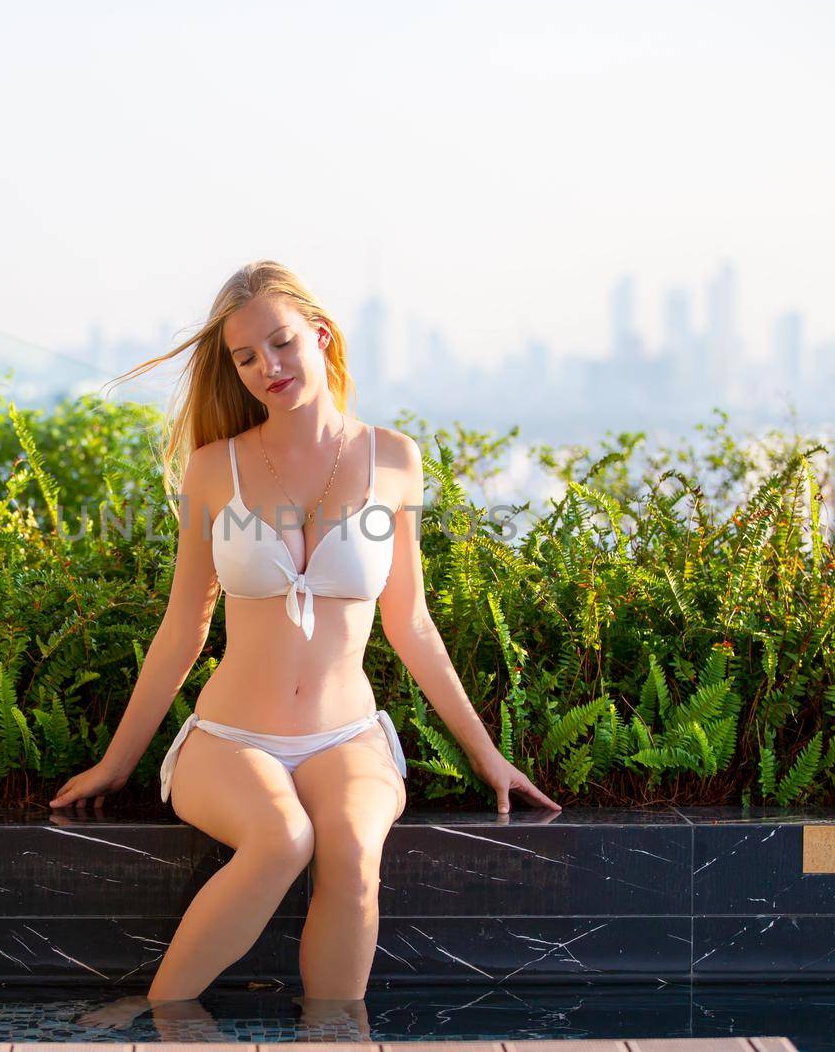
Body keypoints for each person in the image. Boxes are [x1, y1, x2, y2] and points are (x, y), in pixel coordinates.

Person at [49, 260, 559, 1009]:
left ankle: (335, 1037)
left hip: (346, 737)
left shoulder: (393, 459)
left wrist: (489, 758)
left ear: (321, 335)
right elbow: (182, 626)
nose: (267, 368)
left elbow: (411, 621)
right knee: (282, 839)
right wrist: (115, 764)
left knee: (352, 854)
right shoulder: (212, 469)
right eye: (246, 357)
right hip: (228, 738)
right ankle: (159, 1020)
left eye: (282, 344)